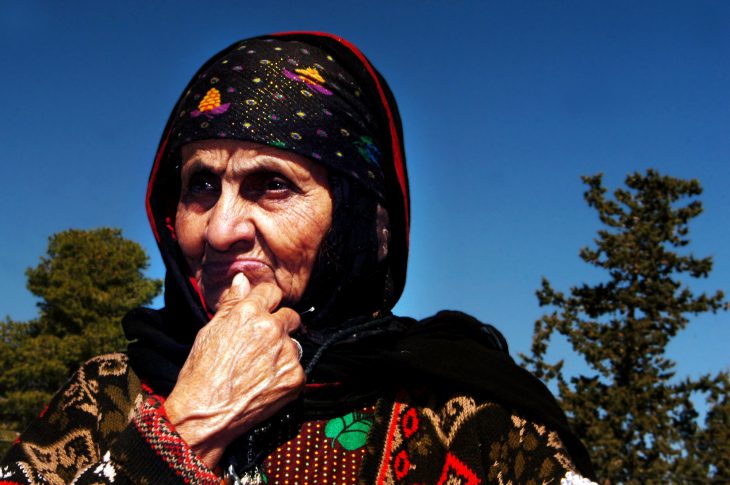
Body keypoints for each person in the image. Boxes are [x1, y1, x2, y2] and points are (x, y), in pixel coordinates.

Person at [0, 32, 596, 484]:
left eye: (272, 185)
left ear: (363, 224)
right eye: (201, 186)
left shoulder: (466, 415)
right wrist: (190, 426)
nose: (223, 228)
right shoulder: (106, 394)